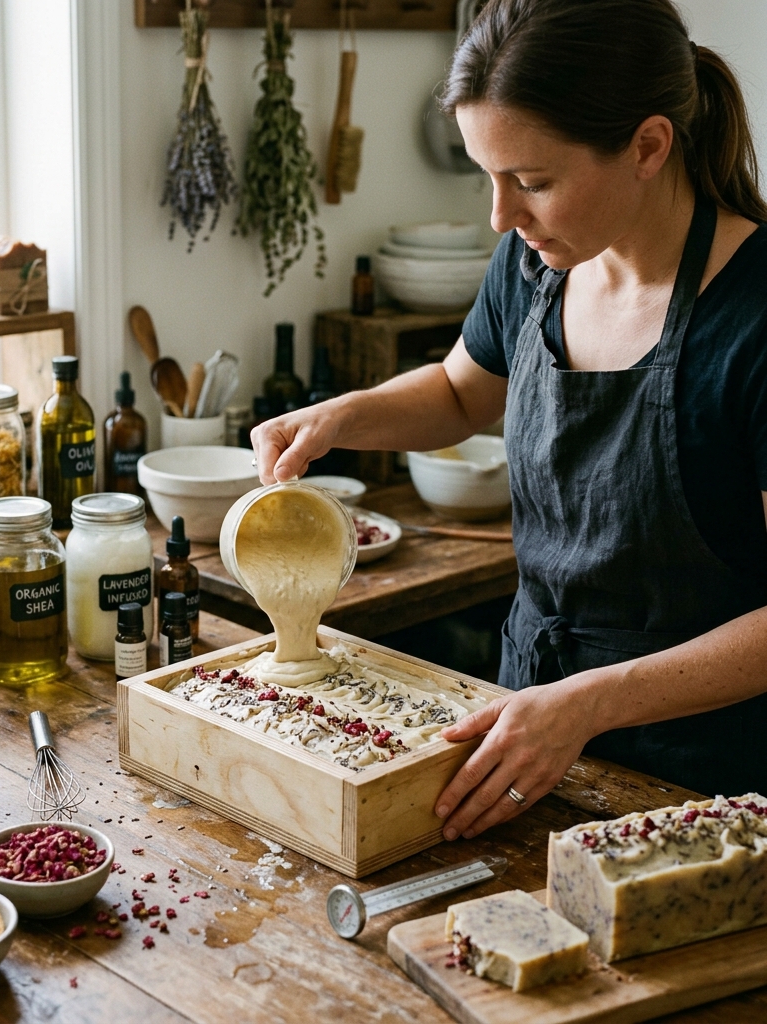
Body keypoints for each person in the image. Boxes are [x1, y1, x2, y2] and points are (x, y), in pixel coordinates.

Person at [250, 0, 767, 844]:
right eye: (487, 177)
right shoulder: (535, 264)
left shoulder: (754, 317)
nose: (500, 216)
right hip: (526, 729)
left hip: (706, 778)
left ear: (647, 146)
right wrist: (339, 417)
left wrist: (587, 705)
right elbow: (461, 393)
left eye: (532, 181)